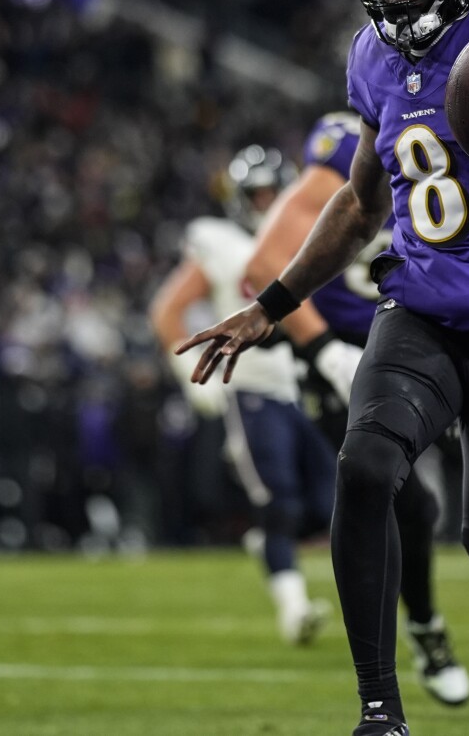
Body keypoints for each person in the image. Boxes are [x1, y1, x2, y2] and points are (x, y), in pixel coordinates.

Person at [176, 0, 469, 733]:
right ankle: (380, 710)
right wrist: (271, 304)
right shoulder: (371, 55)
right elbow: (363, 202)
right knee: (367, 463)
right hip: (422, 305)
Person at [243, 110, 469, 707]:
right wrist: (324, 351)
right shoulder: (353, 140)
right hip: (346, 361)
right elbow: (263, 266)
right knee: (407, 504)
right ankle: (420, 635)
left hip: (424, 341)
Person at [149, 145, 337, 647]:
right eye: (258, 194)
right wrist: (191, 374)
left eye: (276, 193)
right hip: (247, 385)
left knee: (330, 503)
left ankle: (270, 546)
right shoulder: (220, 240)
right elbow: (168, 312)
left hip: (300, 385)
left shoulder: (306, 234)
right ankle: (294, 609)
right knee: (278, 500)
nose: (267, 202)